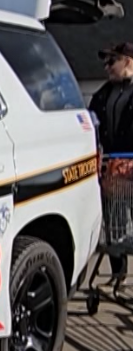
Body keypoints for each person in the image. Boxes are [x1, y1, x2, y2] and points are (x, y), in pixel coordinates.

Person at [89, 42, 133, 281]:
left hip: (130, 165)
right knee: (114, 226)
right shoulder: (102, 95)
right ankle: (118, 273)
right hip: (112, 169)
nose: (107, 67)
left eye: (112, 61)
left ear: (128, 61)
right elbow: (92, 126)